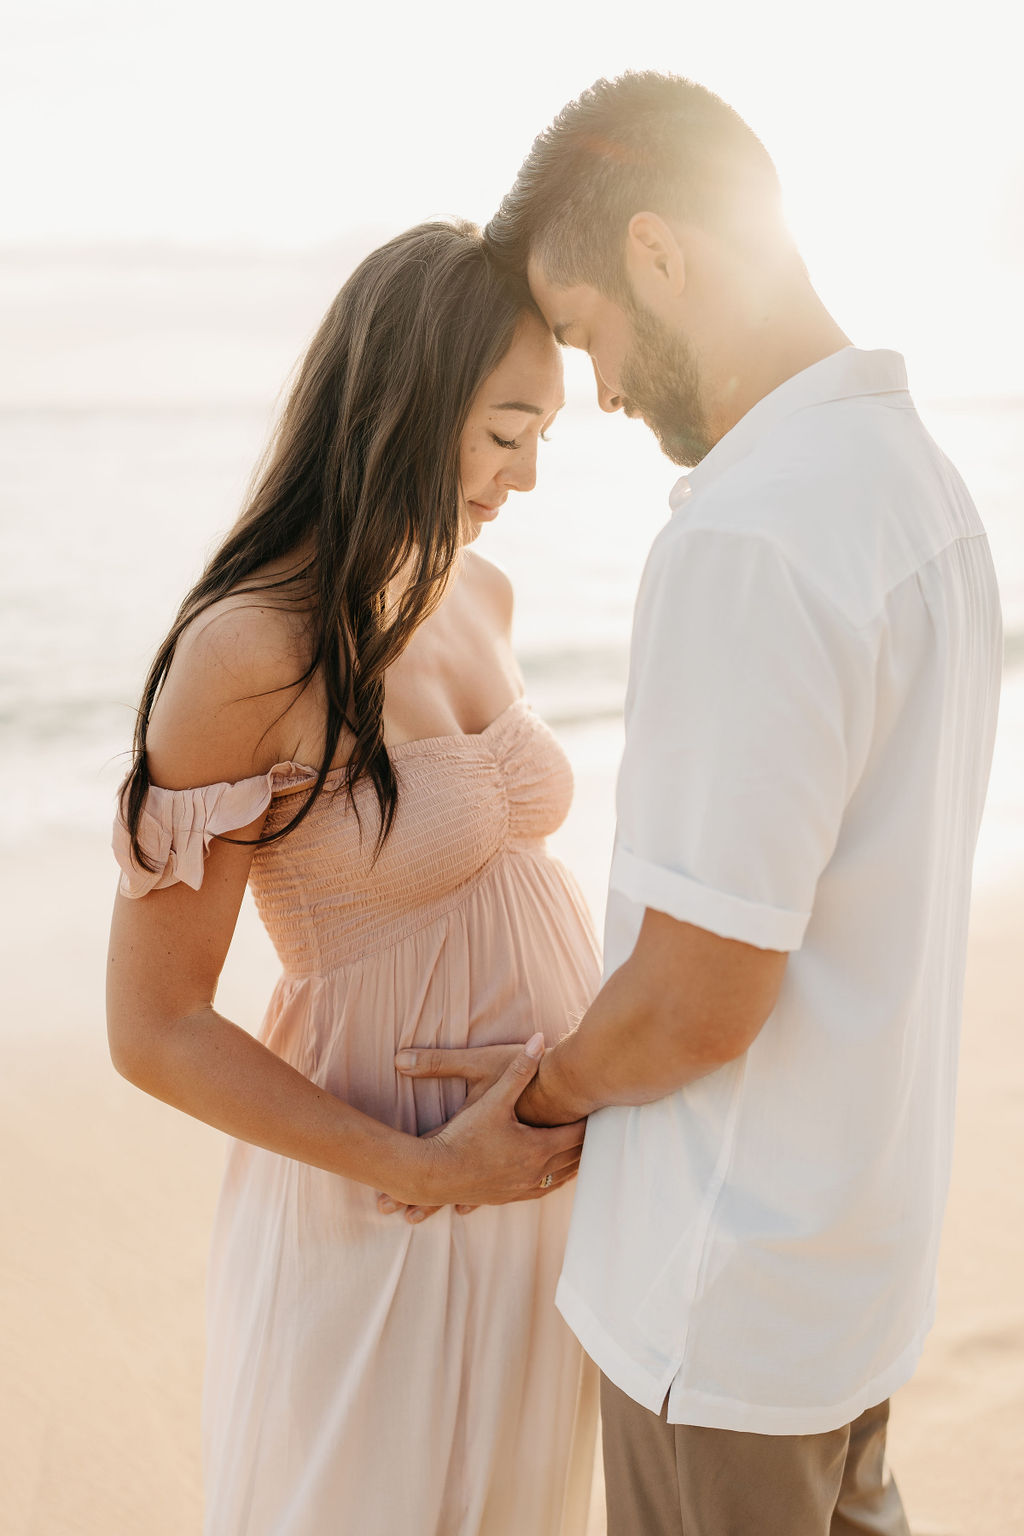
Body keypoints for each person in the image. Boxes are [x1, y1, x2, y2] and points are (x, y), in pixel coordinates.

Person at [392, 74, 1003, 1534]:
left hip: (714, 1314)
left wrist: (529, 1103)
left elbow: (693, 1002)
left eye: (591, 329)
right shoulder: (926, 495)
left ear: (663, 253)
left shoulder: (750, 536)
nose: (601, 389)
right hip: (848, 1281)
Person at [106, 219, 601, 1536]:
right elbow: (151, 1028)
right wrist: (429, 1166)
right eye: (506, 431)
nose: (529, 475)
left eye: (544, 434)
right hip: (385, 1198)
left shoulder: (478, 591)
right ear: (400, 401)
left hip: (535, 1192)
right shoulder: (247, 651)